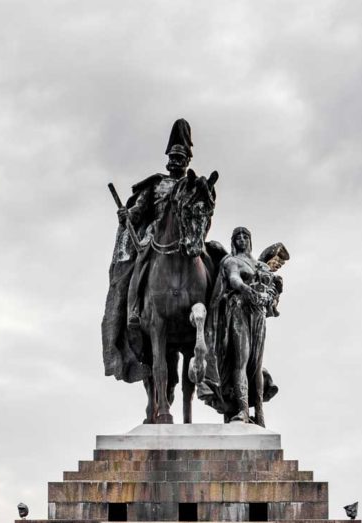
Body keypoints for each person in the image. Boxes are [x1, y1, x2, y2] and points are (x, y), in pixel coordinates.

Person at [101, 119, 195, 383]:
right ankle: (133, 310)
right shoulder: (156, 184)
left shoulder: (193, 185)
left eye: (181, 157)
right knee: (141, 262)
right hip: (156, 237)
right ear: (167, 159)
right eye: (173, 157)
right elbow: (140, 210)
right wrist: (127, 214)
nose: (176, 161)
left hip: (188, 238)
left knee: (210, 259)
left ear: (188, 159)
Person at [199, 230, 289, 424]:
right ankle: (242, 410)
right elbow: (233, 279)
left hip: (257, 314)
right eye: (237, 237)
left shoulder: (260, 265)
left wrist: (274, 291)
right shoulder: (232, 261)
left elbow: (270, 287)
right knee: (241, 360)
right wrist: (245, 288)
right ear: (233, 242)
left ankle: (260, 415)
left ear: (250, 240)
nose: (241, 239)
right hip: (239, 310)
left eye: (245, 236)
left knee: (256, 366)